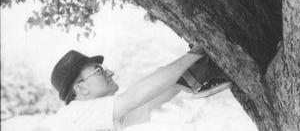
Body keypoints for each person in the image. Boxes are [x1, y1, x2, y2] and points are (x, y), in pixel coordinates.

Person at [50, 47, 229, 131]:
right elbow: (134, 97)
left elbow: (149, 99)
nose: (110, 73)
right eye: (99, 71)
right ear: (81, 88)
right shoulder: (73, 116)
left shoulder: (100, 115)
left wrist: (193, 74)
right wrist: (195, 53)